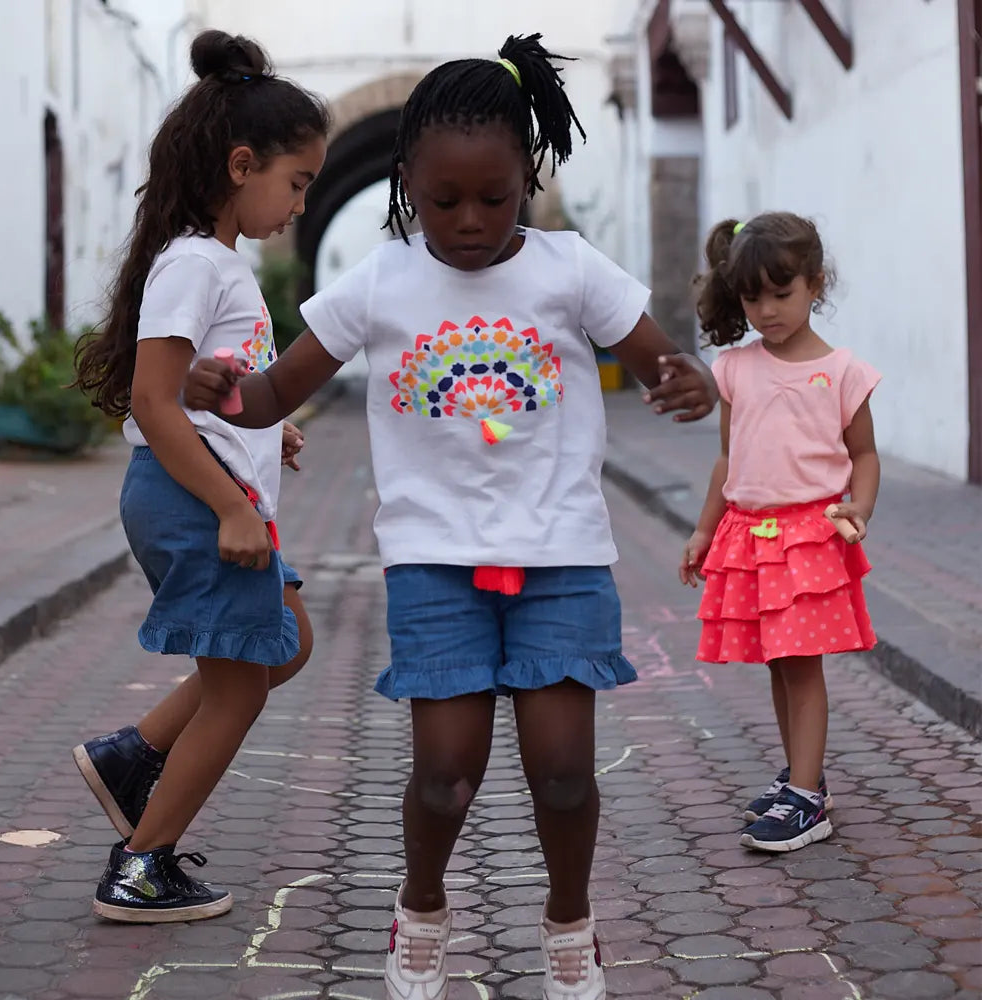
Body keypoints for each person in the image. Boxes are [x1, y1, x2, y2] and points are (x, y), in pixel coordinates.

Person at [183, 33, 717, 999]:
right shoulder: (380, 282)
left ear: (529, 180)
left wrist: (693, 385)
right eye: (443, 202)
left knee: (562, 774)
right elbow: (273, 394)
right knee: (446, 775)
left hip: (561, 559)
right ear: (404, 184)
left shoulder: (572, 269)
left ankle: (569, 924)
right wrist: (218, 389)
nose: (470, 222)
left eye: (495, 198)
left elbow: (662, 364)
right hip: (435, 564)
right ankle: (421, 906)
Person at [70, 29, 330, 923]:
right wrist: (229, 501)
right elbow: (150, 401)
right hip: (193, 500)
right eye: (296, 183)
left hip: (212, 490)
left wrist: (264, 429)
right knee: (241, 686)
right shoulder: (193, 261)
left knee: (282, 643)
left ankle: (131, 758)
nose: (300, 203)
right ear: (241, 164)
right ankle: (142, 865)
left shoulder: (217, 264)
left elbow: (192, 389)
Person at [680, 212, 880, 853]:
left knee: (801, 666)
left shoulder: (844, 371)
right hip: (749, 533)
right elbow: (728, 459)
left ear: (815, 284)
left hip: (808, 536)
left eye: (782, 292)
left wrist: (862, 508)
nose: (767, 309)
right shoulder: (736, 369)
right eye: (752, 296)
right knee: (778, 660)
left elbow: (866, 455)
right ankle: (803, 779)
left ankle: (807, 799)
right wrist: (704, 529)